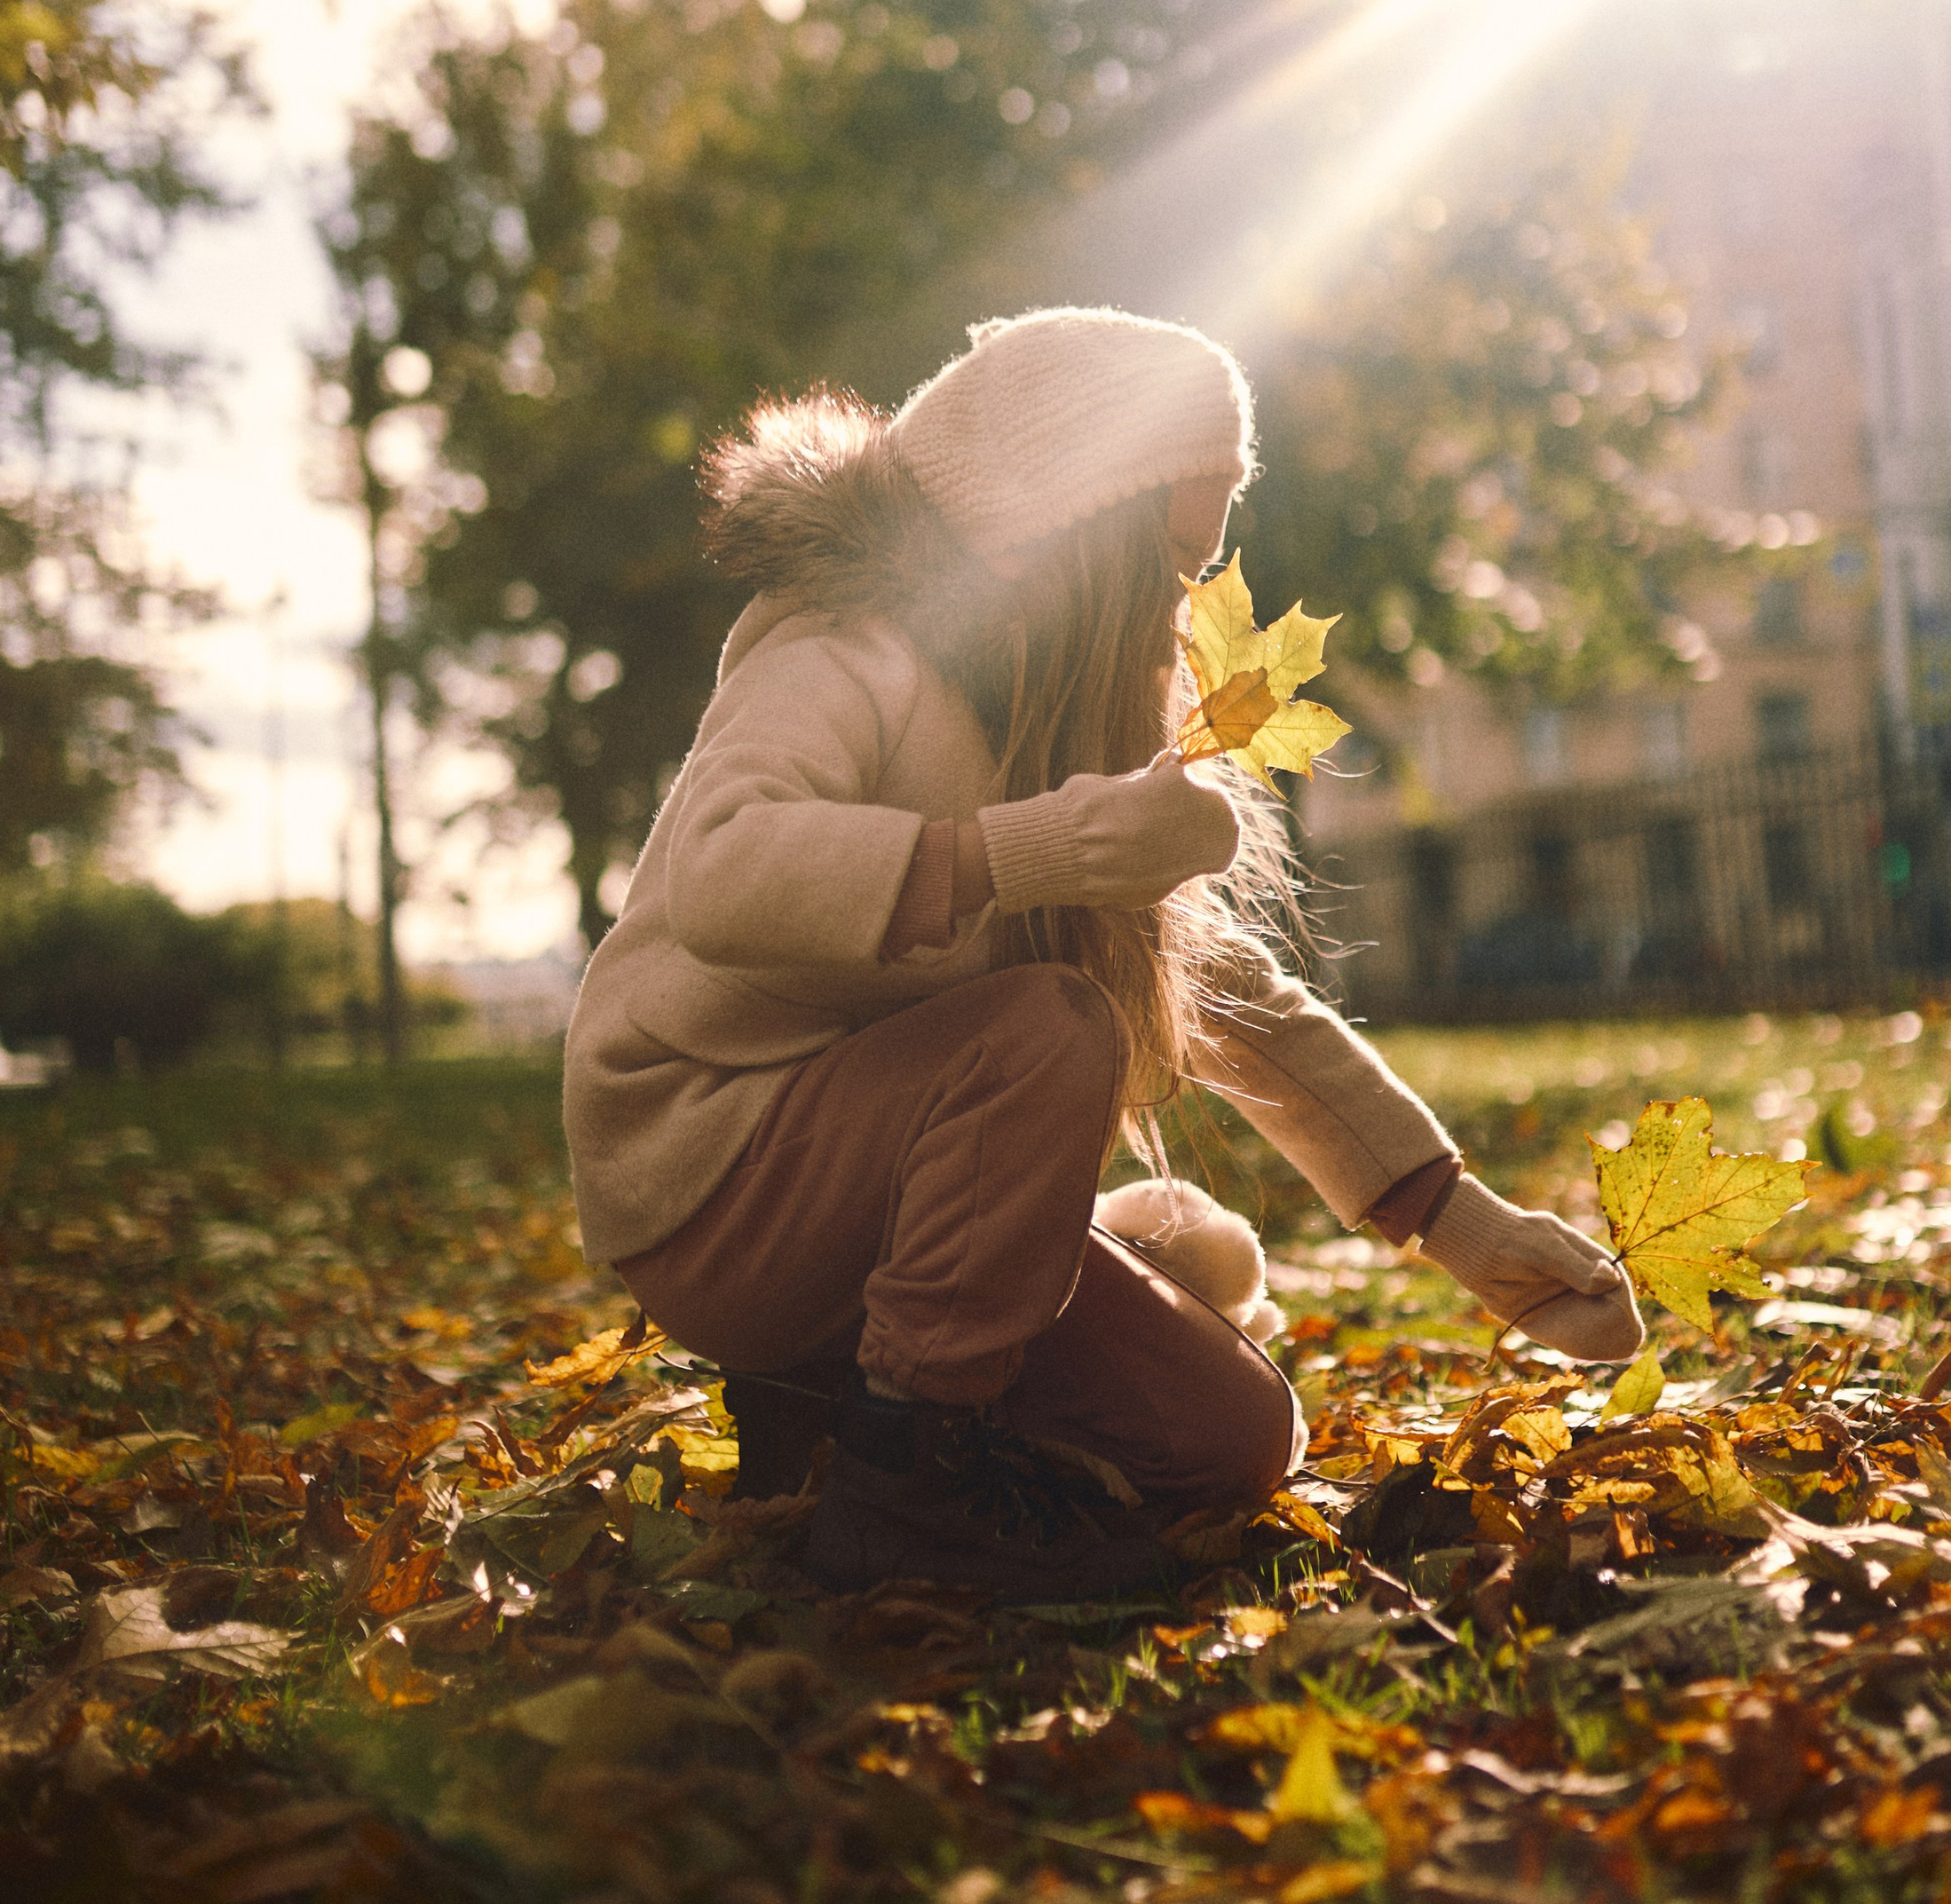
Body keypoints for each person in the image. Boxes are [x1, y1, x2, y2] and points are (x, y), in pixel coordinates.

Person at [564, 305, 1642, 1601]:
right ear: (1056, 528)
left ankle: (828, 1415)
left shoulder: (1056, 727)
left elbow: (1226, 992)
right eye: (1165, 564)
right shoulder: (840, 653)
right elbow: (720, 875)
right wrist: (1031, 852)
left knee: (1235, 1439)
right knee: (1049, 1027)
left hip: (889, 1207)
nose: (1181, 613)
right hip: (715, 1177)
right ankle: (900, 1493)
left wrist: (1456, 1219)